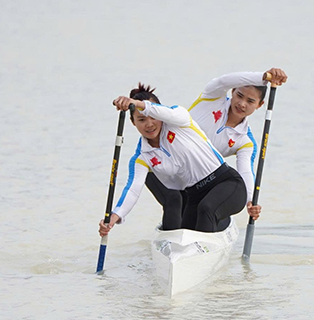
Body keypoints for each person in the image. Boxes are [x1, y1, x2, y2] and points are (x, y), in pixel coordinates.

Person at [97, 84, 247, 237]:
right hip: (194, 197)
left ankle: (205, 248)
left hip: (227, 183)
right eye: (141, 119)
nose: (149, 124)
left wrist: (137, 104)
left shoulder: (180, 119)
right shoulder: (142, 157)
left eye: (153, 117)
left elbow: (167, 113)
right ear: (133, 122)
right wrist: (112, 218)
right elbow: (133, 190)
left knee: (207, 208)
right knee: (182, 232)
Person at [144, 68, 288, 226]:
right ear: (232, 91)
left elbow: (245, 171)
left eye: (250, 101)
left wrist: (250, 201)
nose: (242, 104)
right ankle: (169, 237)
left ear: (259, 105)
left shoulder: (245, 141)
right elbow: (224, 80)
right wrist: (264, 77)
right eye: (239, 95)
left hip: (191, 180)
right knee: (174, 201)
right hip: (159, 166)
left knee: (197, 209)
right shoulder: (212, 98)